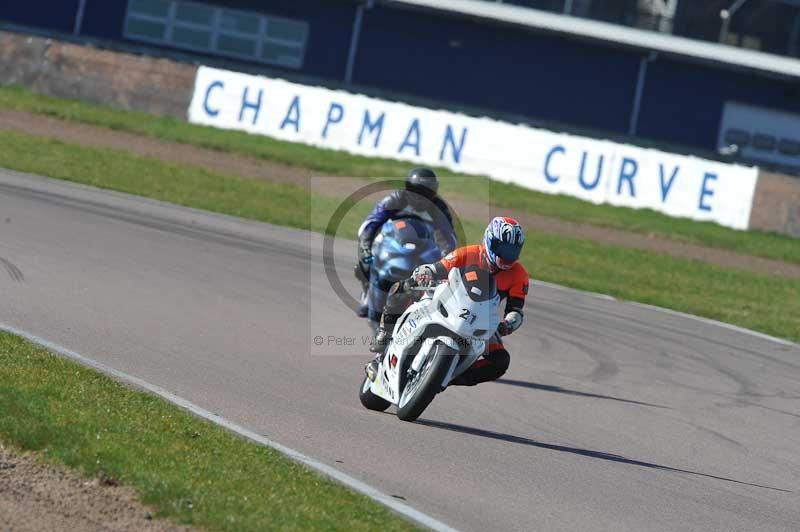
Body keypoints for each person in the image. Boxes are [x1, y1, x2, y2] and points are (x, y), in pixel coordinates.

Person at [366, 216, 528, 387]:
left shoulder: (519, 275)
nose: (506, 256)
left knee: (501, 361)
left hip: (481, 318)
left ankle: (447, 376)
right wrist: (425, 273)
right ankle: (384, 339)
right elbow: (439, 267)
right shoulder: (469, 253)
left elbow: (516, 309)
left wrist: (508, 324)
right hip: (448, 301)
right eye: (502, 248)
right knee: (400, 288)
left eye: (512, 251)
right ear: (489, 240)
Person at [355, 167, 457, 317]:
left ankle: (429, 303)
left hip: (423, 246)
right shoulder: (395, 199)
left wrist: (445, 261)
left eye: (425, 193)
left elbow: (448, 239)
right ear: (407, 188)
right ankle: (367, 294)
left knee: (440, 273)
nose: (420, 196)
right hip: (391, 241)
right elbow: (370, 224)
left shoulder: (438, 208)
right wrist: (365, 248)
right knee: (365, 260)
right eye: (415, 190)